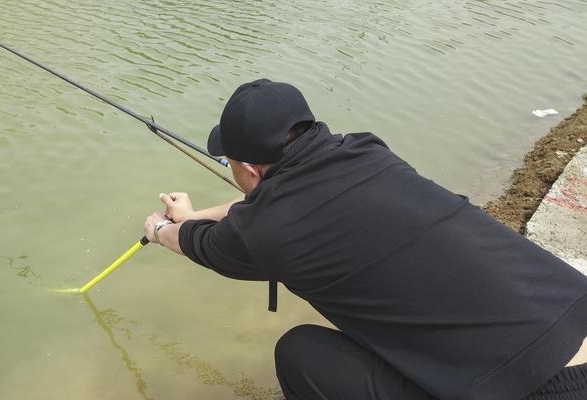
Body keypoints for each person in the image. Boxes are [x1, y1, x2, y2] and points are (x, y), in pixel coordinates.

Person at [143, 78, 587, 400]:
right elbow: (266, 207)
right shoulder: (365, 150)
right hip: (574, 314)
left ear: (251, 170)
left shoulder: (269, 230)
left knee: (299, 354)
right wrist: (195, 213)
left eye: (230, 163)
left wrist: (162, 230)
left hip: (543, 390)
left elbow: (204, 244)